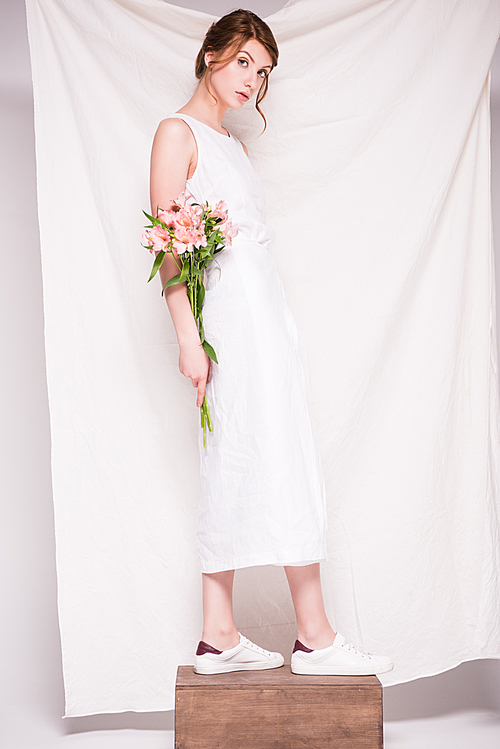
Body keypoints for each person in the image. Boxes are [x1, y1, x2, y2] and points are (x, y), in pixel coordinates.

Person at [149, 9, 393, 677]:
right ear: (210, 54)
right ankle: (314, 635)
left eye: (262, 71)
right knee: (260, 451)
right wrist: (188, 340)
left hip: (265, 314)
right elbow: (168, 249)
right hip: (229, 320)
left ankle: (218, 633)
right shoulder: (177, 133)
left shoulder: (238, 147)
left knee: (255, 452)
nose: (252, 80)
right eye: (243, 62)